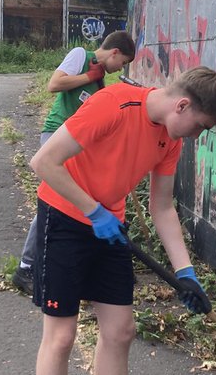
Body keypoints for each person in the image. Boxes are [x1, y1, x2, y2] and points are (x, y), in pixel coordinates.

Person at [29, 65, 216, 375]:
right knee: (61, 338)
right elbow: (43, 162)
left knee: (120, 330)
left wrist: (186, 273)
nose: (193, 138)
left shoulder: (168, 139)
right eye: (197, 127)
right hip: (65, 219)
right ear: (183, 105)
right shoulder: (112, 104)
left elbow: (162, 208)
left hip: (109, 227)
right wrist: (92, 211)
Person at [12, 31, 136, 295]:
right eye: (122, 62)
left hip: (76, 144)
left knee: (72, 202)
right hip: (57, 136)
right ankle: (26, 267)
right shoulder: (81, 56)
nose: (120, 69)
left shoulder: (101, 82)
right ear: (114, 52)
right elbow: (54, 84)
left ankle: (72, 262)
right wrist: (87, 77)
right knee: (55, 202)